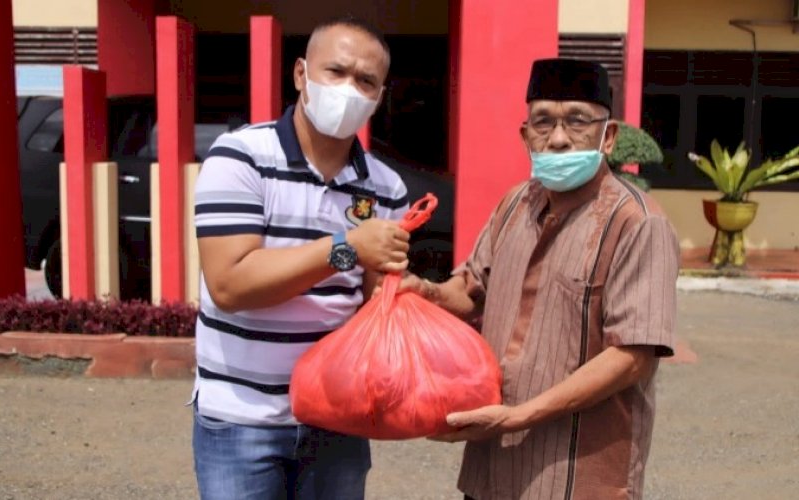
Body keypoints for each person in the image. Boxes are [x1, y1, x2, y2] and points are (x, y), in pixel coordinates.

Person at [402, 58, 680, 499]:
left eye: (577, 121)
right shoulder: (515, 204)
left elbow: (632, 356)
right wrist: (426, 292)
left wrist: (516, 416)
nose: (559, 139)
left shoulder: (638, 223)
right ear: (525, 135)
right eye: (543, 123)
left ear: (608, 137)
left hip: (578, 478)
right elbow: (473, 291)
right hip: (492, 472)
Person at [190, 16, 411, 500]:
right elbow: (229, 285)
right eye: (336, 71)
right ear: (300, 74)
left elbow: (374, 307)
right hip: (240, 417)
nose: (349, 88)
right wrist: (347, 247)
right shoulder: (240, 157)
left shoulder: (386, 188)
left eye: (366, 81)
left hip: (336, 420)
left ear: (379, 96)